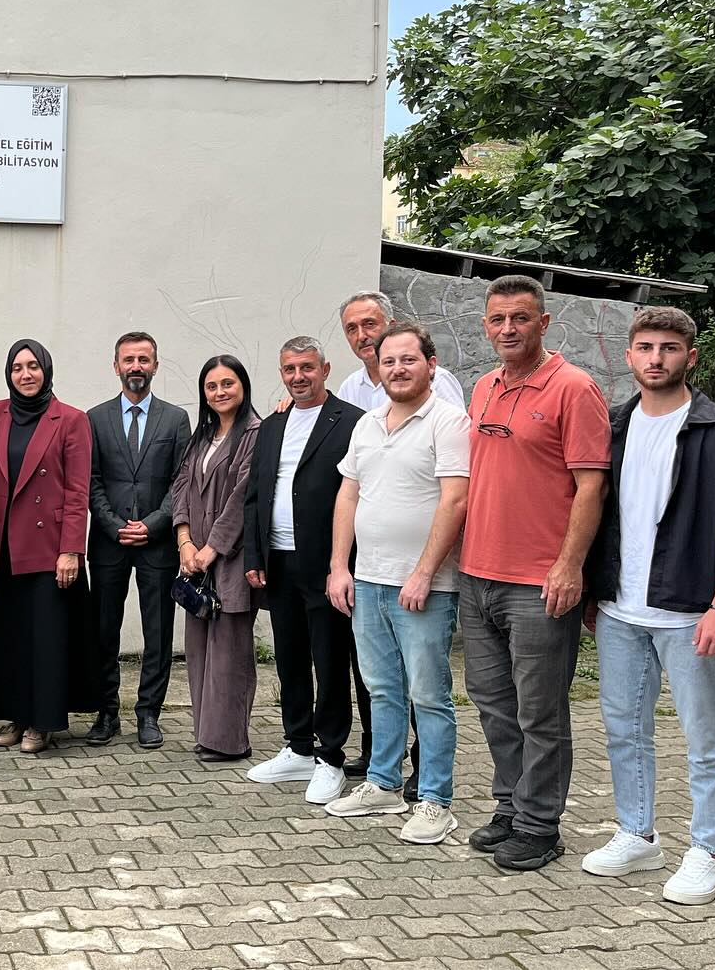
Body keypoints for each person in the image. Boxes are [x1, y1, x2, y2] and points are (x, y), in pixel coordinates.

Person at [459, 274, 609, 871]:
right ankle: (510, 806)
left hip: (539, 581)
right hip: (478, 573)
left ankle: (540, 825)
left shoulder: (575, 387)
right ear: (485, 325)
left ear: (543, 323)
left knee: (540, 710)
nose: (508, 329)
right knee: (493, 702)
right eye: (498, 319)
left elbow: (591, 486)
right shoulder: (483, 387)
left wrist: (570, 566)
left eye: (520, 318)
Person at [581, 306, 715, 904]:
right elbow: (597, 510)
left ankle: (710, 848)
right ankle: (638, 834)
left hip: (691, 610)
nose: (656, 358)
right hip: (621, 609)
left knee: (707, 739)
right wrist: (595, 588)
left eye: (668, 348)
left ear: (690, 356)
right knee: (624, 730)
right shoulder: (614, 424)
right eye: (645, 347)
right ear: (630, 355)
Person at [323, 323, 470, 844]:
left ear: (431, 364)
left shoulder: (449, 421)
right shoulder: (367, 424)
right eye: (389, 361)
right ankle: (383, 784)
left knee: (428, 695)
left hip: (425, 586)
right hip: (368, 580)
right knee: (382, 688)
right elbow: (348, 495)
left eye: (409, 359)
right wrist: (339, 567)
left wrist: (424, 572)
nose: (398, 369)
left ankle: (436, 801)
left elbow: (456, 500)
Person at [241, 337, 363, 805]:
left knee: (329, 661)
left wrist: (341, 564)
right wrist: (255, 555)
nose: (298, 377)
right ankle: (297, 746)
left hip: (327, 563)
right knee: (289, 656)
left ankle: (330, 757)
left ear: (325, 369)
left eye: (307, 367)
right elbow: (255, 494)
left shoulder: (351, 421)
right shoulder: (273, 424)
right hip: (279, 560)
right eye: (290, 369)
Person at [0, 339, 97, 755]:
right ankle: (17, 715)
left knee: (45, 640)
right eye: (17, 368)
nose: (25, 375)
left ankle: (43, 723)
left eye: (33, 366)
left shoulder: (71, 419)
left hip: (49, 550)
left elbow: (77, 491)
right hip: (5, 547)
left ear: (46, 370)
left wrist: (71, 550)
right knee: (11, 638)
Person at [86, 332, 191, 749]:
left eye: (143, 359)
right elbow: (91, 480)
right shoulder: (95, 418)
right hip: (108, 542)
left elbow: (181, 481)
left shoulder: (175, 419)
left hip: (157, 542)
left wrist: (154, 523)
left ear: (155, 366)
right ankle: (106, 711)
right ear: (115, 366)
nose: (136, 367)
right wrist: (114, 525)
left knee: (158, 631)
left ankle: (149, 713)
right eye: (128, 359)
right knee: (103, 630)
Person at [170, 356, 264, 761]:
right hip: (195, 561)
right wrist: (185, 541)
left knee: (229, 651)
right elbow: (180, 488)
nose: (220, 392)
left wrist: (211, 548)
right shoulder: (202, 436)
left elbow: (245, 496)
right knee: (198, 650)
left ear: (243, 386)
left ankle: (229, 742)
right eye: (212, 386)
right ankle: (206, 733)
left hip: (231, 559)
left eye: (228, 383)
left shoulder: (255, 433)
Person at [335, 291, 466, 410]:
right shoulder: (349, 388)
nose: (361, 336)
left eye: (369, 324)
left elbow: (454, 426)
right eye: (352, 329)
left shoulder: (436, 379)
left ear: (391, 327)